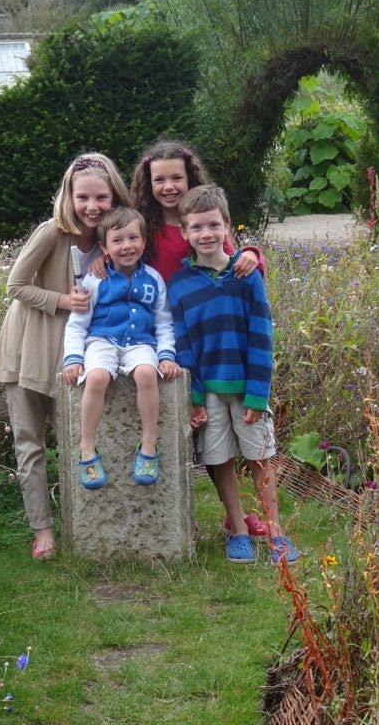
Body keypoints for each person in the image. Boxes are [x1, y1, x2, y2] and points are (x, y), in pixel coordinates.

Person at [0, 153, 133, 560]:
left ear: (114, 196)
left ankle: (87, 521)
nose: (91, 206)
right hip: (28, 347)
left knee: (79, 438)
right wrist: (62, 300)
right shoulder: (52, 232)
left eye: (101, 197)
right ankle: (43, 530)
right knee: (30, 442)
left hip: (75, 354)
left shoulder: (114, 237)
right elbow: (15, 285)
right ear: (68, 197)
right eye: (82, 197)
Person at [129, 139, 268, 540]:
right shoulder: (146, 225)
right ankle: (186, 511)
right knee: (189, 428)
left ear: (191, 177)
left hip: (211, 337)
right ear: (148, 182)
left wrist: (253, 253)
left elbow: (233, 262)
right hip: (167, 331)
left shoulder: (203, 216)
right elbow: (122, 246)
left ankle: (233, 517)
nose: (170, 186)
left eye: (178, 177)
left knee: (211, 431)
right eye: (160, 179)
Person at [167, 184, 298, 565]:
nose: (205, 234)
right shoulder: (180, 285)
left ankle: (275, 530)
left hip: (246, 387)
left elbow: (261, 335)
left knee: (261, 459)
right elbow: (184, 344)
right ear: (184, 233)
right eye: (196, 228)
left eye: (213, 225)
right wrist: (194, 397)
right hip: (208, 391)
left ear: (227, 225)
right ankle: (238, 528)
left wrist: (258, 393)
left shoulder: (246, 274)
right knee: (219, 458)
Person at [62, 206, 181, 489]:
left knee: (146, 374)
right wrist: (73, 358)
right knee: (97, 377)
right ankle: (87, 446)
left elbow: (164, 322)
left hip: (141, 343)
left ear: (143, 240)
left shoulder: (153, 279)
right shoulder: (95, 279)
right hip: (102, 340)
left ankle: (149, 444)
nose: (126, 246)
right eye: (117, 241)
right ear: (104, 247)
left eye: (133, 238)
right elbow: (78, 324)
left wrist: (166, 355)